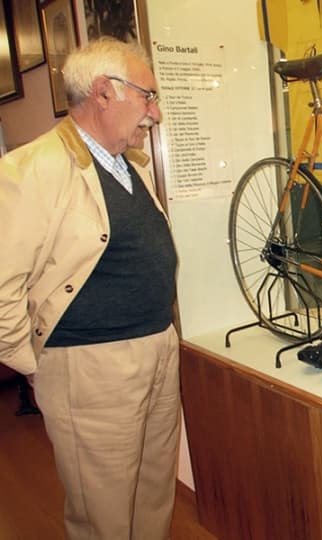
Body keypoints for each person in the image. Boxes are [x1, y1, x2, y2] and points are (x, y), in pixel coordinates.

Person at [0, 37, 179, 539]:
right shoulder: (32, 169)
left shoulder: (130, 165)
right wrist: (39, 363)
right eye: (147, 96)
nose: (155, 113)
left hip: (156, 346)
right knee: (103, 511)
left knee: (152, 491)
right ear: (104, 92)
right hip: (90, 365)